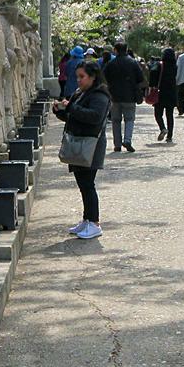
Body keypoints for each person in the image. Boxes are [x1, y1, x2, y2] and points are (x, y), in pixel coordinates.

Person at [55, 62, 110, 239]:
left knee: (88, 184)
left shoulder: (100, 95)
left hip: (90, 146)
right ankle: (87, 219)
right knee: (83, 184)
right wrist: (60, 111)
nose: (78, 80)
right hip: (78, 143)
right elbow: (73, 116)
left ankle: (94, 223)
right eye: (77, 76)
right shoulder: (80, 93)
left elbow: (94, 117)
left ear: (92, 77)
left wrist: (71, 107)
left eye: (82, 77)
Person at [104, 41, 145, 152]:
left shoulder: (111, 64)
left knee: (116, 120)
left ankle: (117, 144)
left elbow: (105, 77)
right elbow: (140, 78)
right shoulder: (133, 62)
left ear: (115, 50)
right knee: (129, 119)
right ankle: (127, 140)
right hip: (130, 96)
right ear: (126, 50)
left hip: (114, 96)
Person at [154, 47, 177, 142]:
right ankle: (170, 136)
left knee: (158, 113)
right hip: (172, 92)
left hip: (160, 92)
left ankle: (163, 128)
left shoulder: (160, 65)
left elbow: (153, 75)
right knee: (170, 115)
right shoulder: (175, 66)